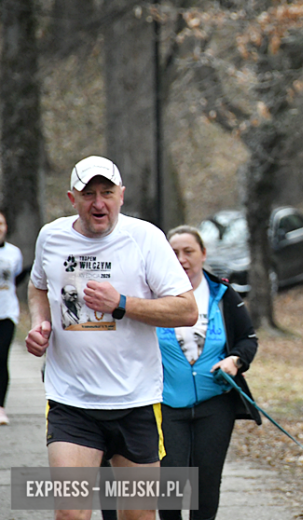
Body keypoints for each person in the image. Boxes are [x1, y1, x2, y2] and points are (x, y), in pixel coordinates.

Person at [25, 155, 198, 520]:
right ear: (72, 199)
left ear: (122, 195)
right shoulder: (51, 237)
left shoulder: (145, 238)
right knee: (70, 513)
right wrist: (41, 324)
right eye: (88, 194)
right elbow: (38, 285)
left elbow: (186, 309)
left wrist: (121, 303)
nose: (98, 203)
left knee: (137, 515)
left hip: (136, 400)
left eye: (107, 193)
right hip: (71, 399)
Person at [156, 226, 261, 520]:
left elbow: (248, 339)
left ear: (203, 254)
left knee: (206, 482)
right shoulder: (153, 296)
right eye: (174, 253)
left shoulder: (223, 294)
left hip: (215, 403)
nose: (181, 259)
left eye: (188, 251)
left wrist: (235, 361)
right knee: (170, 480)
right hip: (166, 403)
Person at [0, 210, 24, 425]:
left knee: (1, 359)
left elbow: (15, 279)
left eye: (1, 223)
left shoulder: (14, 253)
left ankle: (0, 407)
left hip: (6, 313)